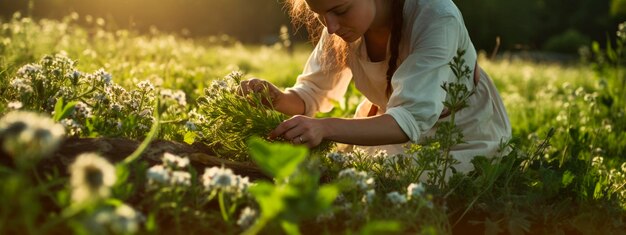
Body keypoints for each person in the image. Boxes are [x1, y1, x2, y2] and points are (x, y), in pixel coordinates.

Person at [239, 0, 511, 173]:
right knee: (341, 177)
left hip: (460, 134)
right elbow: (311, 94)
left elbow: (407, 122)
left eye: (340, 11)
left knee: (388, 186)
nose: (331, 27)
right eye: (320, 15)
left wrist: (325, 127)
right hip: (383, 129)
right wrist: (275, 97)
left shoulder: (437, 17)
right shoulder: (341, 26)